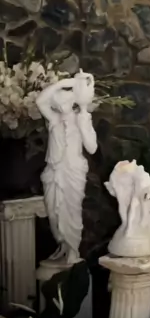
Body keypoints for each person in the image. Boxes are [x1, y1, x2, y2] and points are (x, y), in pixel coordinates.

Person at [37, 72, 97, 264]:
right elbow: (40, 101)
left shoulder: (81, 119)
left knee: (72, 212)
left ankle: (72, 248)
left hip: (73, 171)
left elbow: (92, 148)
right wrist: (64, 83)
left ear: (73, 102)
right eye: (58, 102)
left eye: (65, 101)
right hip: (54, 171)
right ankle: (62, 245)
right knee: (53, 212)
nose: (61, 106)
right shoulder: (53, 120)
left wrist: (84, 119)